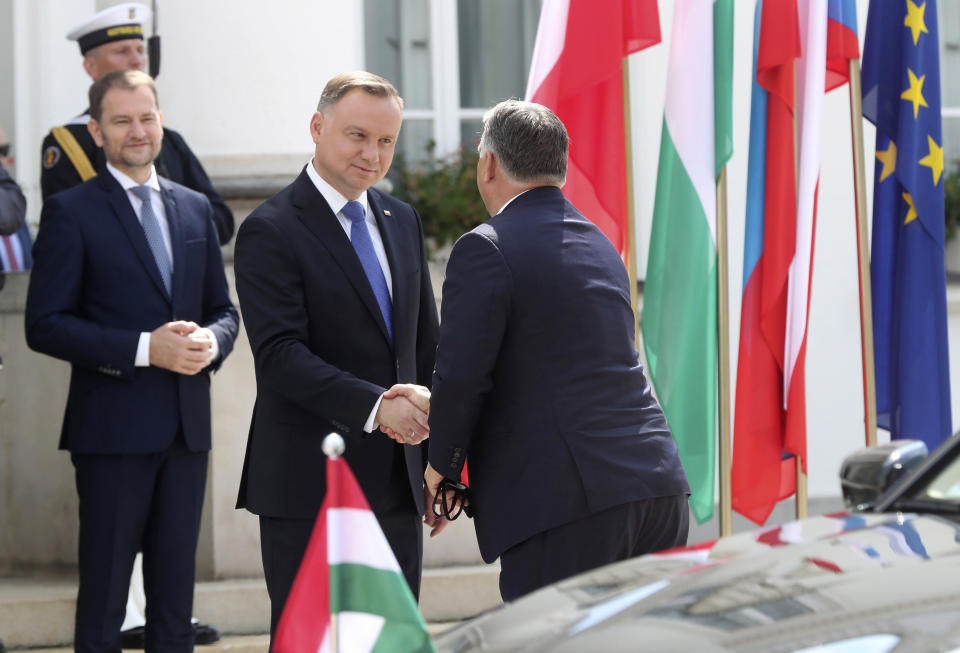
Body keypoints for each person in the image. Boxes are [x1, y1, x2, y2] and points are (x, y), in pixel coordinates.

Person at [424, 100, 691, 602]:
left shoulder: (485, 246)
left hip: (570, 505)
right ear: (560, 168)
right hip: (655, 487)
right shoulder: (601, 243)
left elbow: (462, 376)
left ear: (489, 164)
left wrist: (442, 466)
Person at [25, 69, 239, 652]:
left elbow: (224, 310)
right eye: (122, 120)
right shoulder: (71, 212)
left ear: (161, 122)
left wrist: (212, 342)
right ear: (97, 130)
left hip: (186, 432)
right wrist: (147, 349)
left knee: (175, 603)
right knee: (106, 601)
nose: (137, 131)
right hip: (111, 435)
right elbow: (43, 325)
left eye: (147, 117)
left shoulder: (195, 209)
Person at [233, 70, 440, 641]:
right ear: (318, 127)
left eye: (386, 141)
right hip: (310, 484)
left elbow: (427, 346)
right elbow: (279, 356)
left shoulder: (402, 221)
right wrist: (378, 407)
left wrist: (442, 463)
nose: (372, 154)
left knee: (391, 640)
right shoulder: (270, 229)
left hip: (399, 485)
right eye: (357, 136)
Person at [40, 2, 234, 245]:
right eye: (122, 52)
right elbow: (69, 230)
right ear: (91, 67)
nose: (137, 61)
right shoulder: (70, 143)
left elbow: (221, 220)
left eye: (140, 50)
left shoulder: (170, 139)